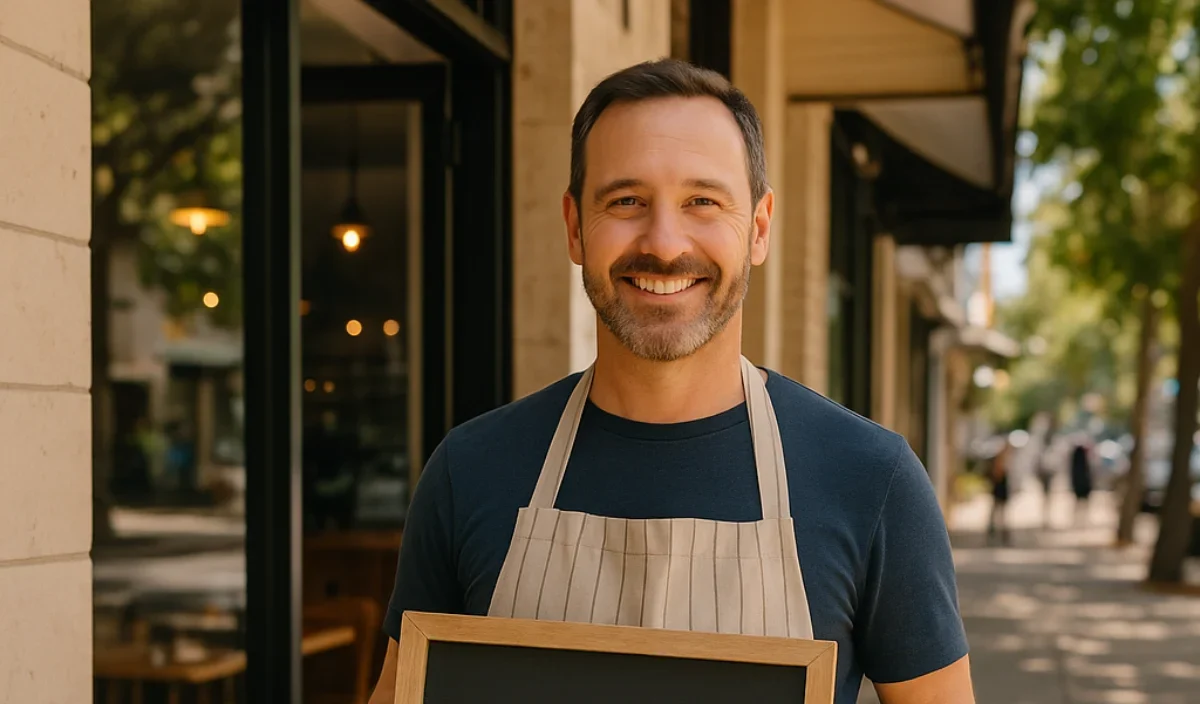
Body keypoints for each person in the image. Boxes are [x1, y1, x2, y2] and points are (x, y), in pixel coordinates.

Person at [369, 59, 972, 704]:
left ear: (759, 229)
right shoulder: (469, 470)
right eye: (625, 201)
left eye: (702, 201)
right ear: (575, 227)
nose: (663, 242)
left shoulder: (870, 480)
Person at [988, 438, 1012, 545]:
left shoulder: (1005, 458)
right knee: (999, 511)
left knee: (1000, 511)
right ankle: (996, 531)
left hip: (1001, 488)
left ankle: (998, 532)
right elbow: (997, 474)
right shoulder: (1000, 459)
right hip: (1000, 488)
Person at [1070, 439, 1094, 526]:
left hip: (1079, 483)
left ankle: (1079, 519)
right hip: (1082, 483)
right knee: (1082, 503)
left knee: (1079, 503)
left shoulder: (1077, 460)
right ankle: (1080, 519)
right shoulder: (1081, 460)